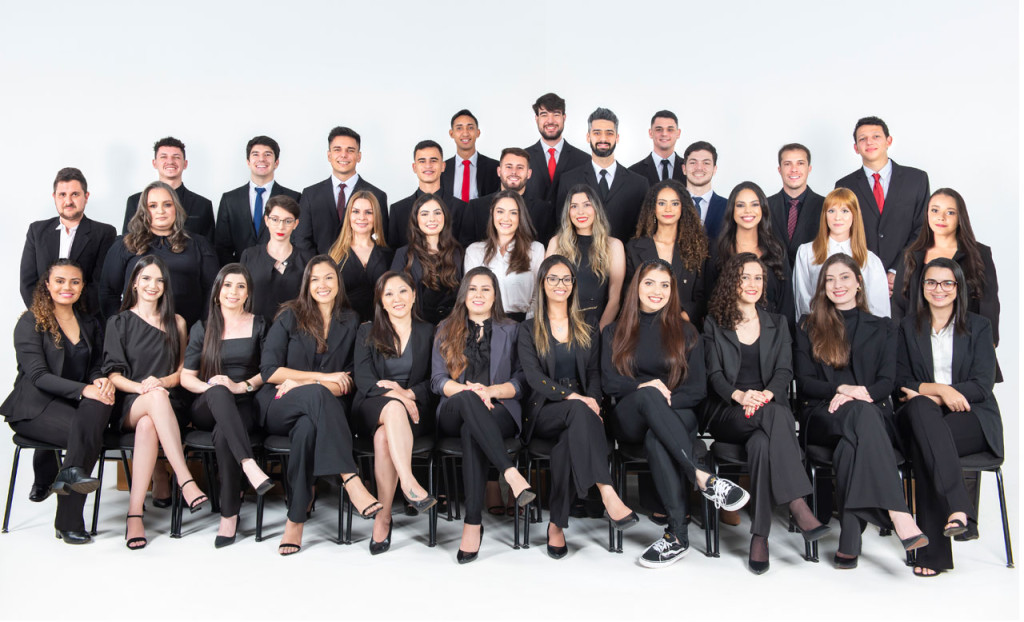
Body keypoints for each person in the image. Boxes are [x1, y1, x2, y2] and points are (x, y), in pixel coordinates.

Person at [603, 259, 749, 568]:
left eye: (664, 285)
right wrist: (647, 388)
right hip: (630, 417)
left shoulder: (686, 332)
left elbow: (696, 390)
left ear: (672, 291)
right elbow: (610, 383)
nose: (657, 291)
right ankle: (702, 476)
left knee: (658, 438)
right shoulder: (615, 331)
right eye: (649, 283)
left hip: (677, 413)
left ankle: (677, 536)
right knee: (649, 395)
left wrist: (661, 403)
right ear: (636, 287)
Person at [794, 254, 927, 568]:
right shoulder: (808, 325)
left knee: (851, 446)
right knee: (861, 416)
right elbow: (805, 382)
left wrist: (859, 395)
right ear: (822, 286)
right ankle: (898, 512)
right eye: (830, 279)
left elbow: (887, 382)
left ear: (858, 283)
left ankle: (850, 539)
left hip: (869, 416)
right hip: (822, 415)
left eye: (844, 277)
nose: (837, 285)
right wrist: (842, 390)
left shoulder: (883, 327)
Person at [703, 253, 830, 574]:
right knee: (776, 417)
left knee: (762, 443)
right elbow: (713, 374)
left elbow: (785, 370)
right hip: (729, 413)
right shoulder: (714, 323)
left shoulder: (778, 323)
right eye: (745, 277)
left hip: (767, 410)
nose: (753, 284)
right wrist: (741, 395)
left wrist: (766, 395)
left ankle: (759, 536)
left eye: (758, 278)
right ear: (732, 281)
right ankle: (798, 504)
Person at [256, 255, 382, 555]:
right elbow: (270, 371)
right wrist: (318, 380)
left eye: (328, 278)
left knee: (306, 430)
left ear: (338, 282)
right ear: (307, 284)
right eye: (315, 279)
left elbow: (348, 381)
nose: (322, 285)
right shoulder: (289, 315)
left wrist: (306, 383)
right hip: (279, 403)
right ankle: (350, 478)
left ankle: (295, 520)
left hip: (323, 409)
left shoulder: (351, 320)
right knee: (317, 395)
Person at [519, 256, 637, 558]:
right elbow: (534, 378)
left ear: (573, 284)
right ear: (542, 283)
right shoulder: (529, 328)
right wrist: (576, 399)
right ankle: (606, 491)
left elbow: (595, 373)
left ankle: (556, 525)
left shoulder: (588, 326)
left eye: (566, 278)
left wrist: (593, 402)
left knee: (566, 447)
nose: (560, 284)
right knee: (578, 411)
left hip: (583, 410)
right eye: (553, 278)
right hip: (546, 409)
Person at [895, 257, 1002, 577]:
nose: (938, 289)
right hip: (922, 414)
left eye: (946, 282)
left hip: (972, 417)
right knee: (923, 419)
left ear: (958, 287)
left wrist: (932, 394)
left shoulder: (979, 327)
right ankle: (959, 509)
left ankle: (934, 555)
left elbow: (982, 385)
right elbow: (900, 381)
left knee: (927, 443)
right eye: (931, 282)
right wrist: (941, 391)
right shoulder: (907, 327)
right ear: (922, 287)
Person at [0, 260, 114, 544]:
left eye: (75, 282)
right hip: (34, 408)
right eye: (60, 281)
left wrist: (99, 380)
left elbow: (95, 364)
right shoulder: (30, 322)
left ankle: (69, 475)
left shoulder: (89, 322)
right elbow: (38, 376)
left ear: (82, 287)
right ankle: (69, 520)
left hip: (74, 407)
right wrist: (84, 389)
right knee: (87, 435)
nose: (67, 287)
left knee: (100, 402)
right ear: (48, 285)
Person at [430, 267, 537, 564]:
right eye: (473, 288)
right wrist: (471, 392)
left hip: (499, 409)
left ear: (495, 295)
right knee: (468, 400)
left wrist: (490, 392)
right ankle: (510, 473)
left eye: (485, 289)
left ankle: (472, 524)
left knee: (472, 431)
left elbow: (521, 381)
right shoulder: (445, 328)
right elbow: (437, 381)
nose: (478, 294)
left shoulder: (513, 329)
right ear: (463, 294)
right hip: (454, 408)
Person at [102, 256, 207, 550]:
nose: (153, 285)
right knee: (152, 403)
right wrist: (143, 388)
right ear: (134, 283)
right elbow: (113, 374)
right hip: (130, 402)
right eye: (146, 278)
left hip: (169, 402)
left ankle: (134, 514)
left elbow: (182, 372)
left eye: (159, 280)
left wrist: (160, 382)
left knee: (149, 424)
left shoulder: (177, 322)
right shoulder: (118, 322)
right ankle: (184, 479)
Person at [180, 264, 274, 548]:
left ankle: (229, 515)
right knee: (219, 391)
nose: (233, 291)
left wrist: (240, 386)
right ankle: (249, 464)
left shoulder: (260, 324)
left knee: (224, 435)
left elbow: (268, 371)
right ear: (217, 291)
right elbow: (186, 377)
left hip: (245, 402)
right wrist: (213, 388)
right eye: (228, 285)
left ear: (248, 293)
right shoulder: (203, 327)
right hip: (207, 404)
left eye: (240, 286)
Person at [352, 271, 437, 554]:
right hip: (373, 404)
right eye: (388, 294)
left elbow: (434, 379)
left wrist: (408, 394)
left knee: (382, 438)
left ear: (413, 296)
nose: (396, 298)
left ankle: (383, 516)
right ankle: (408, 481)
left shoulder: (429, 332)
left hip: (414, 409)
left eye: (402, 291)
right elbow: (364, 380)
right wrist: (396, 396)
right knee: (392, 408)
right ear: (381, 301)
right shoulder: (367, 331)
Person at [891, 189, 999, 366]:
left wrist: (989, 344)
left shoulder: (979, 253)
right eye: (935, 210)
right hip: (918, 347)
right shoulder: (910, 255)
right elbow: (898, 304)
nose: (941, 218)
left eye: (950, 212)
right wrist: (899, 345)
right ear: (927, 214)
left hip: (965, 346)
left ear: (960, 217)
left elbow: (989, 303)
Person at [100, 181, 219, 328]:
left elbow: (213, 289)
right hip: (134, 332)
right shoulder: (124, 245)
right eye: (153, 206)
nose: (161, 211)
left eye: (167, 205)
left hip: (188, 332)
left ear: (176, 208)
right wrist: (120, 326)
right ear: (144, 211)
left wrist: (200, 330)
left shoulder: (199, 244)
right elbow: (108, 292)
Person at [835, 116, 930, 287]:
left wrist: (897, 270)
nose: (869, 142)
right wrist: (863, 272)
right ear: (856, 148)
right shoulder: (845, 186)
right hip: (861, 279)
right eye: (862, 139)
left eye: (876, 136)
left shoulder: (916, 179)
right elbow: (842, 233)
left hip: (906, 279)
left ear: (889, 141)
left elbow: (922, 228)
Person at [20, 167, 116, 317]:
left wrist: (70, 319)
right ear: (54, 197)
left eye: (75, 194)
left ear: (86, 196)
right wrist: (46, 316)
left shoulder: (104, 233)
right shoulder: (37, 231)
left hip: (85, 321)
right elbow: (27, 282)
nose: (68, 201)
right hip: (43, 319)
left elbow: (100, 284)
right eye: (62, 195)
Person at [706, 181, 794, 328]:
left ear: (763, 209)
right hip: (726, 333)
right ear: (732, 210)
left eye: (754, 204)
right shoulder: (717, 250)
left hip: (772, 334)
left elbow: (787, 304)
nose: (748, 211)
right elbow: (708, 300)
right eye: (740, 205)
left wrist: (784, 338)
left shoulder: (776, 251)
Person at [792, 188, 890, 319]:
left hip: (861, 329)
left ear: (854, 215)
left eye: (845, 211)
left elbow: (879, 310)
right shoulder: (806, 252)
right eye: (831, 211)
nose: (837, 217)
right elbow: (803, 300)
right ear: (824, 215)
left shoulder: (870, 260)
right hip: (819, 326)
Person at [555, 107, 650, 241]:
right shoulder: (568, 180)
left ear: (617, 137)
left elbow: (644, 229)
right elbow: (562, 224)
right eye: (597, 133)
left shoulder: (638, 183)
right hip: (579, 253)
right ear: (588, 137)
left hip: (625, 253)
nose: (603, 138)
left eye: (609, 133)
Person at [627, 180, 709, 325]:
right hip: (643, 326)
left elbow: (702, 297)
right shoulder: (634, 248)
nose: (668, 209)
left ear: (683, 208)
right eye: (662, 203)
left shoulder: (697, 247)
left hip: (683, 327)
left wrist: (679, 320)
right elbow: (628, 293)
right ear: (653, 208)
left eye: (675, 203)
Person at [295, 126, 389, 254]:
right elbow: (302, 239)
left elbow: (380, 238)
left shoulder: (377, 196)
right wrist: (319, 265)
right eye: (337, 149)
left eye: (350, 150)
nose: (344, 155)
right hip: (318, 265)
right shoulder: (310, 195)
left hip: (362, 265)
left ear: (359, 156)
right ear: (329, 155)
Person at [546, 185, 625, 329]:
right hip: (560, 327)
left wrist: (600, 333)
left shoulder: (614, 246)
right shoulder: (556, 243)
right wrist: (558, 330)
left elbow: (615, 299)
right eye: (574, 206)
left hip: (597, 326)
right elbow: (546, 290)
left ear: (596, 209)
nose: (580, 211)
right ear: (568, 212)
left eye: (587, 205)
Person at [214, 135, 301, 265]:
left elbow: (298, 241)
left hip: (281, 271)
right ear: (248, 162)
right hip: (240, 272)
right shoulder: (230, 200)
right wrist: (237, 272)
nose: (261, 159)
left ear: (276, 162)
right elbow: (222, 247)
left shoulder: (294, 198)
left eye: (267, 154)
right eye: (255, 154)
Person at [464, 191, 545, 322]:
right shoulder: (474, 251)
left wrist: (527, 326)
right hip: (486, 323)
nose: (506, 218)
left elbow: (539, 294)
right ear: (492, 213)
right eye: (500, 211)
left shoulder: (536, 249)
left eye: (513, 213)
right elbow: (470, 295)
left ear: (520, 216)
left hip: (523, 323)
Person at [122, 137, 215, 242]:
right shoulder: (135, 201)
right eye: (163, 157)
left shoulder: (203, 205)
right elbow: (127, 243)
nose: (170, 161)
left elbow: (209, 247)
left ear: (185, 164)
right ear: (154, 163)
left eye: (176, 157)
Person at [391, 194, 464, 325]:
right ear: (416, 219)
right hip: (417, 327)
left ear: (445, 217)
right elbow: (394, 295)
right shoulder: (403, 254)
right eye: (424, 214)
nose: (432, 219)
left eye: (437, 213)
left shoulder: (458, 252)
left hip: (452, 327)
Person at [240, 195, 315, 322]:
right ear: (266, 220)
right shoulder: (249, 255)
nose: (281, 227)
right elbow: (241, 296)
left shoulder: (307, 259)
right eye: (275, 219)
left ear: (296, 224)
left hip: (295, 328)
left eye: (288, 221)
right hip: (255, 328)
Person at [464, 147, 556, 248]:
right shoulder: (476, 207)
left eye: (520, 167)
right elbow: (466, 247)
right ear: (499, 171)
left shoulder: (544, 211)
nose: (514, 172)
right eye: (508, 167)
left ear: (529, 173)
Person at [387, 140, 466, 249]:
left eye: (433, 160)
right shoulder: (398, 210)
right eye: (422, 161)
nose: (428, 165)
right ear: (414, 167)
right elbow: (392, 253)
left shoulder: (461, 208)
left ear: (443, 166)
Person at [328, 190, 394, 323]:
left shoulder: (388, 255)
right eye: (356, 211)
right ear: (349, 216)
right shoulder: (334, 255)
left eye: (368, 212)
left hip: (381, 325)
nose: (362, 217)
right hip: (343, 325)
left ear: (376, 217)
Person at [524, 92, 591, 203]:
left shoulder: (584, 160)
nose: (550, 121)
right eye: (544, 114)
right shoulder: (523, 158)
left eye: (556, 114)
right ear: (536, 118)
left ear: (564, 118)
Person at [767, 143, 824, 264]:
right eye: (787, 164)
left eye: (800, 163)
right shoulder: (765, 206)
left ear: (809, 168)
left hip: (813, 274)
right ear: (779, 169)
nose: (794, 169)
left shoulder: (826, 206)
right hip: (774, 274)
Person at [440, 109, 501, 202]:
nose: (465, 133)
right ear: (451, 134)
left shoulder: (494, 167)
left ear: (478, 133)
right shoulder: (442, 169)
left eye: (470, 128)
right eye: (459, 128)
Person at [682, 141, 728, 240]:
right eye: (693, 162)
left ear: (714, 169)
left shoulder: (728, 207)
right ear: (684, 169)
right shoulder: (671, 205)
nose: (699, 168)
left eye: (706, 163)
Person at [628, 110, 686, 184]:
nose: (664, 134)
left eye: (670, 129)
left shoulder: (690, 169)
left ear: (678, 133)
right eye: (659, 129)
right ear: (650, 133)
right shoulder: (633, 172)